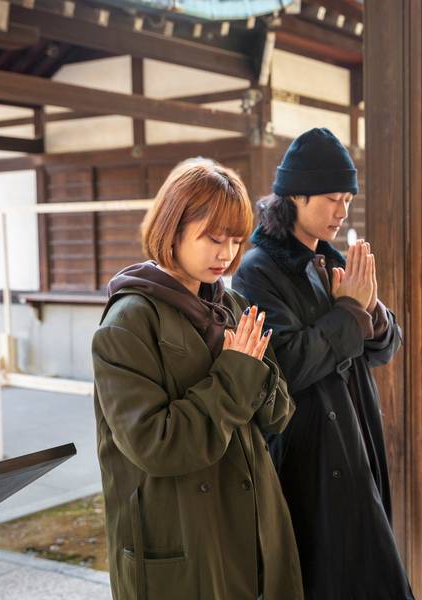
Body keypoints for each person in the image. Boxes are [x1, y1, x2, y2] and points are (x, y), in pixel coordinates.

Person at [92, 159, 303, 600]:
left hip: (255, 527)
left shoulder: (233, 303)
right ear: (173, 228)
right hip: (184, 538)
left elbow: (280, 413)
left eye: (235, 240)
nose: (226, 253)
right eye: (213, 237)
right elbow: (158, 445)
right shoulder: (128, 323)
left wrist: (254, 373)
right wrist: (237, 371)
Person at [232, 128, 412, 600]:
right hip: (306, 451)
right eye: (332, 198)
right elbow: (284, 367)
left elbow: (386, 347)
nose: (342, 211)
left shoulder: (328, 260)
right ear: (295, 195)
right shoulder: (258, 270)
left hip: (354, 436)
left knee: (368, 570)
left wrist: (369, 312)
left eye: (348, 199)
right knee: (326, 577)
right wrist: (350, 312)